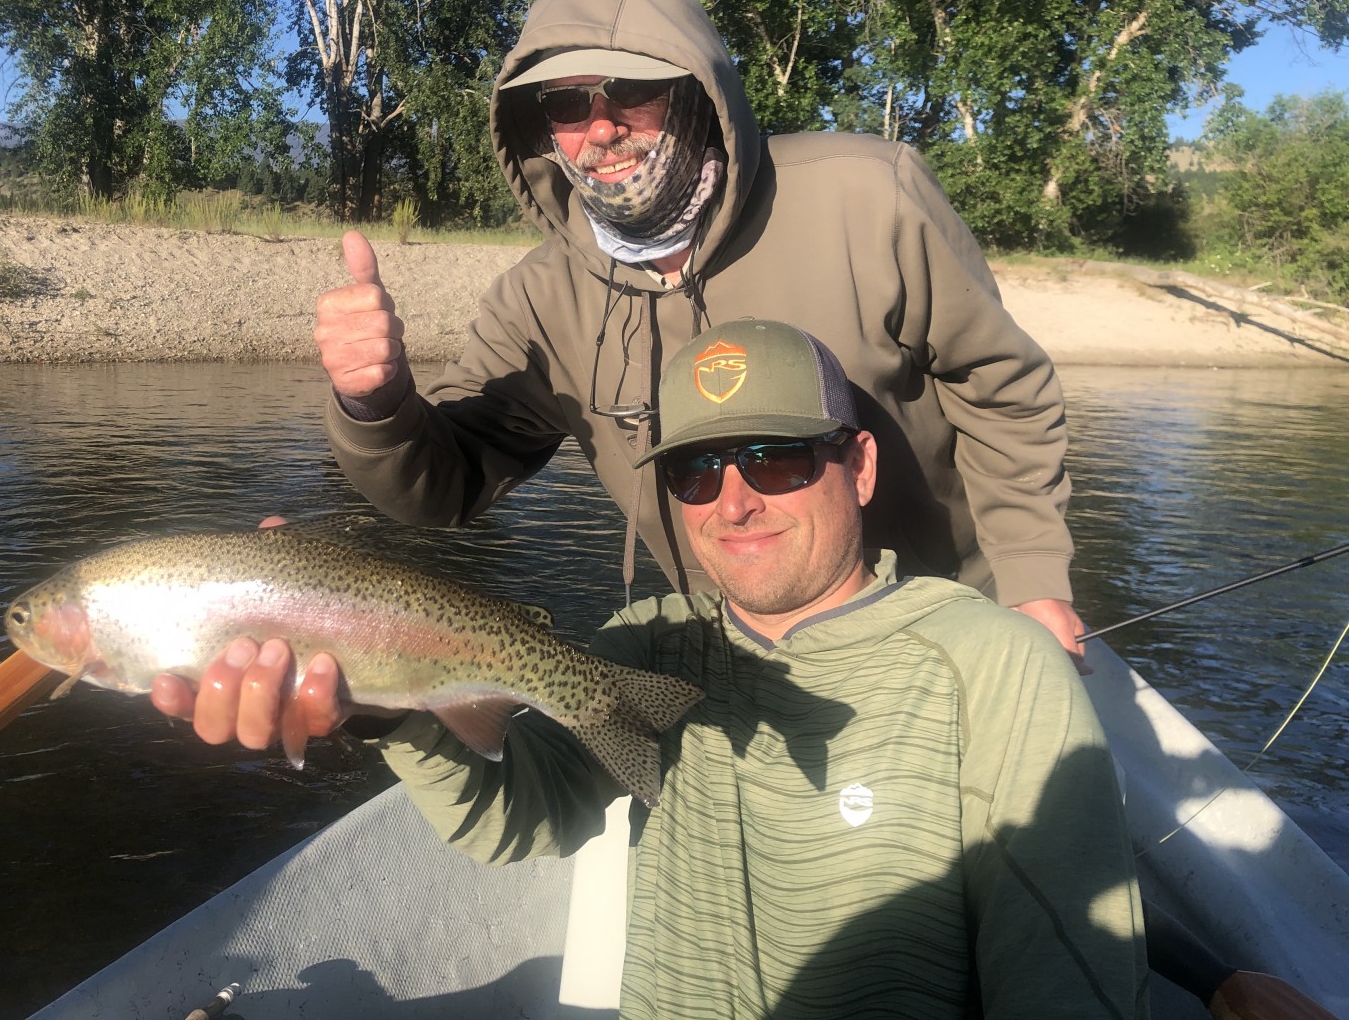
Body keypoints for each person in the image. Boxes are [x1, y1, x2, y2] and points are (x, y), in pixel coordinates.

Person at [154, 319, 1149, 1018]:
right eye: (695, 470)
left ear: (861, 467)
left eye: (776, 458)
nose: (734, 500)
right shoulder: (647, 641)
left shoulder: (994, 666)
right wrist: (382, 700)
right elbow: (519, 818)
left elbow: (1065, 985)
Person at [313, 0, 1088, 664]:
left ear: (695, 89)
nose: (603, 127)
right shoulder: (539, 299)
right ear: (540, 128)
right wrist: (375, 404)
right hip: (745, 660)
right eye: (569, 104)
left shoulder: (869, 196)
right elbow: (438, 486)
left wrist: (1031, 580)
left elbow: (1002, 391)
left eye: (633, 91)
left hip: (952, 621)